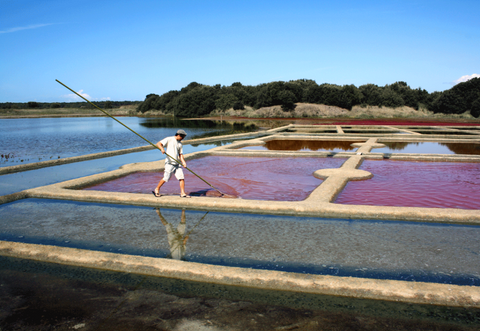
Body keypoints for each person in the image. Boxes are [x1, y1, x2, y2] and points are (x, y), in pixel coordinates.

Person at [152, 129, 191, 198]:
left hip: (177, 163)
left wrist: (184, 162)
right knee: (166, 178)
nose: (183, 139)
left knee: (181, 178)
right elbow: (158, 143)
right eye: (182, 137)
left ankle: (182, 193)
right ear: (178, 135)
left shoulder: (180, 144)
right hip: (169, 163)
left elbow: (180, 154)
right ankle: (157, 189)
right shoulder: (169, 139)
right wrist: (162, 149)